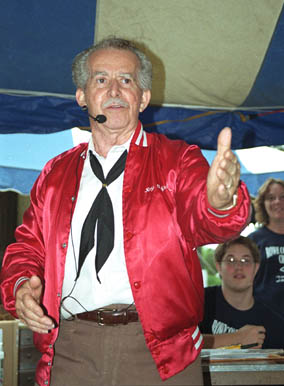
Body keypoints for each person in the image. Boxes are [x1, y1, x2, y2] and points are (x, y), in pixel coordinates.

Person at [0, 37, 250, 386]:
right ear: (82, 96)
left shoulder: (177, 160)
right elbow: (27, 248)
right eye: (101, 80)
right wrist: (22, 286)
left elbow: (206, 221)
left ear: (144, 98)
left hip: (161, 355)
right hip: (69, 349)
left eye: (127, 80)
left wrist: (222, 202)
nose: (114, 89)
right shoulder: (54, 174)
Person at [200, 236, 284, 349]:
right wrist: (237, 338)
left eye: (246, 260)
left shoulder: (273, 322)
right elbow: (179, 344)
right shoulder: (199, 302)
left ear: (256, 268)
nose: (239, 267)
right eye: (231, 260)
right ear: (219, 266)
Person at [248, 178, 284, 319]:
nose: (277, 202)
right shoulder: (253, 241)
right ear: (263, 204)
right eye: (271, 198)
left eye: (282, 197)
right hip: (264, 318)